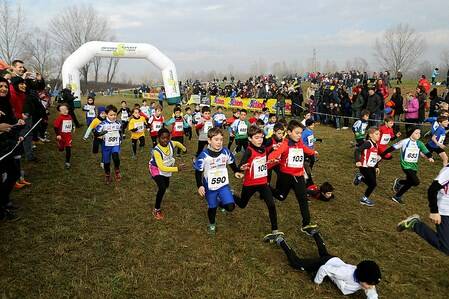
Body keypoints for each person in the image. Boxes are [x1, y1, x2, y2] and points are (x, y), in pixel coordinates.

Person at [273, 234, 381, 299]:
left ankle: (315, 233)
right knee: (296, 263)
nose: (371, 287)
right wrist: (317, 283)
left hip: (335, 261)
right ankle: (280, 240)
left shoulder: (367, 283)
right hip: (325, 264)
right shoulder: (345, 273)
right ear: (361, 277)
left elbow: (372, 294)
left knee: (323, 253)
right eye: (369, 284)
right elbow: (324, 269)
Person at [268, 120, 318, 235]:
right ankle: (266, 187)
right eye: (297, 133)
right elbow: (273, 155)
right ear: (289, 132)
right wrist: (269, 158)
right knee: (281, 197)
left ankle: (306, 224)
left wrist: (312, 152)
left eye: (301, 133)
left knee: (303, 199)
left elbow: (305, 149)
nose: (299, 135)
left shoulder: (299, 142)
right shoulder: (284, 145)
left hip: (299, 175)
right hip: (286, 176)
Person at [236, 126, 283, 241]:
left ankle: (275, 231)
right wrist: (242, 168)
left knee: (271, 205)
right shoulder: (249, 150)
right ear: (250, 139)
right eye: (256, 138)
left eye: (261, 137)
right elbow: (240, 166)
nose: (260, 140)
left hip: (262, 182)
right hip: (250, 183)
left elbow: (265, 157)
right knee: (242, 204)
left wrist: (273, 151)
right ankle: (231, 194)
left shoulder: (263, 147)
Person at [194, 127, 243, 234]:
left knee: (230, 207)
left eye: (221, 139)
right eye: (216, 139)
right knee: (212, 207)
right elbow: (198, 172)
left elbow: (231, 163)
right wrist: (200, 185)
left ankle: (222, 202)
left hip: (223, 185)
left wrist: (236, 171)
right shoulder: (203, 156)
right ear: (209, 140)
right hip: (210, 186)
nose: (219, 142)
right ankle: (212, 224)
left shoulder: (225, 151)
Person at [397, 165, 449, 255]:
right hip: (445, 211)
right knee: (446, 247)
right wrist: (434, 211)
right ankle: (415, 224)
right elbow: (432, 189)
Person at [380, 127, 434, 204]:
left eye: (419, 133)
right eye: (416, 133)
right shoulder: (404, 142)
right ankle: (399, 184)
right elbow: (391, 148)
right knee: (416, 182)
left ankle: (397, 193)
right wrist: (382, 155)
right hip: (405, 165)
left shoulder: (420, 143)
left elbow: (426, 151)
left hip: (414, 166)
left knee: (410, 182)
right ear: (411, 133)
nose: (418, 135)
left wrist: (430, 157)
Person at [149, 128, 186, 220]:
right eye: (162, 138)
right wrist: (177, 169)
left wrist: (184, 148)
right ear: (158, 138)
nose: (165, 140)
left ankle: (164, 186)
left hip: (167, 167)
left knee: (166, 184)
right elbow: (161, 167)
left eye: (167, 138)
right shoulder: (156, 151)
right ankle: (156, 209)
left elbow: (177, 143)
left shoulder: (170, 143)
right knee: (162, 188)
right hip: (156, 168)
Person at [0, 77, 24, 220]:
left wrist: (17, 128)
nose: (3, 88)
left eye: (5, 86)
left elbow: (10, 122)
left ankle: (4, 201)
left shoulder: (6, 103)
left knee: (14, 173)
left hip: (6, 145)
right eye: (0, 86)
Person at [353, 127, 381, 207]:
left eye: (379, 134)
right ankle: (364, 199)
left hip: (371, 166)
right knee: (373, 184)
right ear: (370, 135)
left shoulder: (376, 144)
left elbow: (374, 157)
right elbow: (357, 150)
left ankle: (360, 178)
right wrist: (357, 161)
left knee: (372, 183)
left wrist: (376, 166)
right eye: (376, 134)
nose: (379, 136)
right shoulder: (368, 143)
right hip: (364, 166)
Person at [94, 105, 122, 184]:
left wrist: (120, 138)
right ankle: (107, 175)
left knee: (115, 157)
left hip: (115, 144)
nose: (113, 117)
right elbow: (95, 133)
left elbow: (120, 131)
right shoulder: (103, 124)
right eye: (111, 115)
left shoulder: (118, 123)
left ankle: (117, 170)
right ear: (106, 114)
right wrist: (101, 133)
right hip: (106, 146)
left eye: (115, 115)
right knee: (107, 162)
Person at [301, 119, 321, 187]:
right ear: (308, 125)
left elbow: (311, 140)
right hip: (306, 152)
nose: (313, 126)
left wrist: (317, 139)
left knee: (312, 162)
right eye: (312, 125)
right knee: (307, 165)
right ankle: (306, 178)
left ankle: (308, 172)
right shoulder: (304, 133)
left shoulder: (310, 131)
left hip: (312, 151)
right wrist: (306, 150)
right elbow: (302, 142)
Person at [53, 103, 73, 169]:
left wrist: (73, 127)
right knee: (61, 148)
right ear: (60, 112)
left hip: (68, 136)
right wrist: (58, 134)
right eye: (62, 110)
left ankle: (67, 162)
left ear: (68, 110)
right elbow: (55, 127)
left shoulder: (70, 116)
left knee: (68, 148)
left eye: (66, 109)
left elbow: (70, 124)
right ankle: (60, 146)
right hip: (61, 136)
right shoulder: (60, 118)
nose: (65, 111)